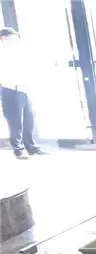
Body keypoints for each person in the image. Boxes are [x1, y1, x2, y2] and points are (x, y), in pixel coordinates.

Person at [0, 28, 43, 159]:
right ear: (4, 38)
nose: (15, 40)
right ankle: (18, 150)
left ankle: (32, 147)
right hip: (11, 89)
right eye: (13, 37)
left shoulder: (17, 51)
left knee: (29, 120)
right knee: (15, 122)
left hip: (25, 89)